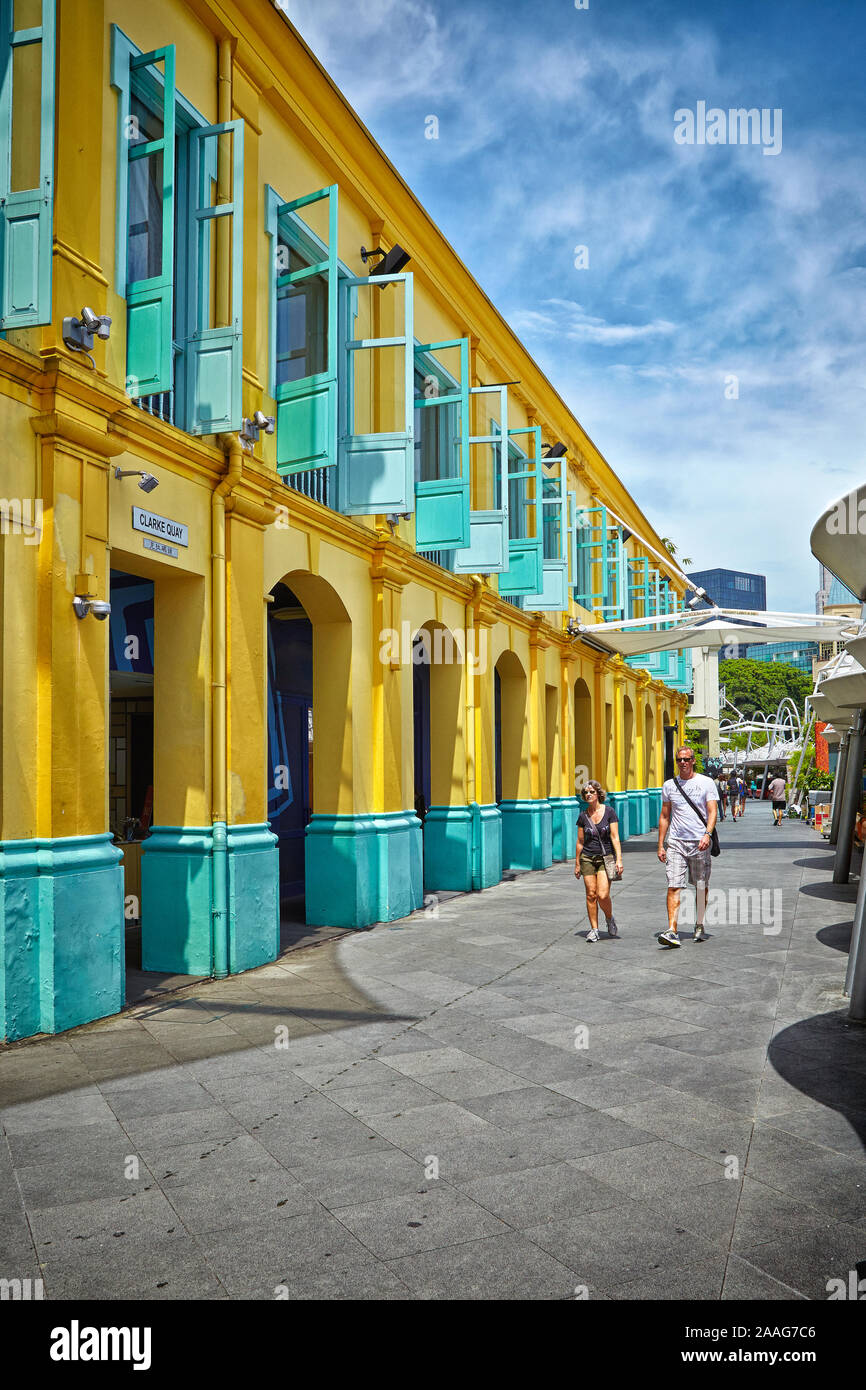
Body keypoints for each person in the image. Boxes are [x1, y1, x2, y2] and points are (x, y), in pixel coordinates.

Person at [656, 746, 718, 947]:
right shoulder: (669, 785)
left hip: (699, 842)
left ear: (693, 761)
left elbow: (712, 811)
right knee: (673, 885)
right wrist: (661, 844)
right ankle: (672, 930)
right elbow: (665, 816)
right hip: (676, 842)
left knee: (701, 885)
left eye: (686, 759)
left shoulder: (706, 783)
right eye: (679, 760)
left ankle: (699, 923)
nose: (682, 763)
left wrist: (707, 834)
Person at [575, 780, 623, 942]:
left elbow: (615, 837)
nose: (588, 794)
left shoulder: (609, 812)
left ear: (598, 794)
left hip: (606, 857)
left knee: (602, 895)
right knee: (591, 894)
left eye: (591, 792)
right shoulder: (583, 816)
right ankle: (594, 929)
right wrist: (577, 863)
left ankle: (609, 918)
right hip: (587, 858)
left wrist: (619, 860)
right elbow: (580, 841)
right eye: (586, 792)